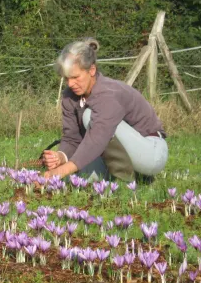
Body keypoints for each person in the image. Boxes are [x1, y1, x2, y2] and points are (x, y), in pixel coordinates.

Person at [42, 38, 168, 182]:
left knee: (88, 116)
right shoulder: (69, 97)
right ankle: (125, 177)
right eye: (66, 78)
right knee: (80, 179)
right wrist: (61, 157)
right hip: (106, 151)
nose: (70, 84)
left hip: (151, 151)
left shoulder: (108, 93)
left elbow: (98, 137)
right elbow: (71, 138)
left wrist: (60, 171)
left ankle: (128, 177)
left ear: (92, 70)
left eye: (75, 77)